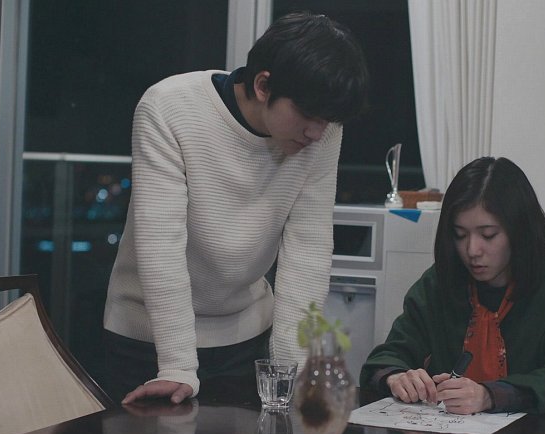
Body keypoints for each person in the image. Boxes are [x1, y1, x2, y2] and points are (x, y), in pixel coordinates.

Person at [103, 12, 369, 405]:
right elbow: (161, 245)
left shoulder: (322, 133)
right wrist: (177, 365)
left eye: (327, 122)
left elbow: (307, 250)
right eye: (309, 116)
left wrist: (292, 369)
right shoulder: (169, 107)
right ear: (263, 85)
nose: (316, 133)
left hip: (245, 335)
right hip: (149, 336)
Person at [360, 157, 545, 414]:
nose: (472, 250)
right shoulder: (439, 284)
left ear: (519, 230)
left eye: (488, 235)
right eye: (460, 235)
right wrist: (397, 377)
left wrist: (489, 396)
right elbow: (386, 357)